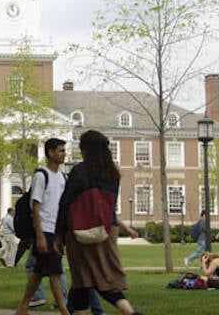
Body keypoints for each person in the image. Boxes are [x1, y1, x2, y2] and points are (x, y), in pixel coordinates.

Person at [56, 130, 141, 315]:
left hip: (80, 231)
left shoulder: (79, 171)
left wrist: (59, 234)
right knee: (102, 278)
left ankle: (129, 313)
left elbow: (66, 203)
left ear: (86, 149)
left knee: (82, 278)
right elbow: (110, 206)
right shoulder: (112, 173)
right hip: (106, 230)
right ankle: (129, 312)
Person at [15, 138, 69, 315]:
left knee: (39, 271)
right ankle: (64, 310)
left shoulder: (62, 177)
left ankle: (23, 306)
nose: (64, 154)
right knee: (54, 271)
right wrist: (39, 235)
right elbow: (35, 206)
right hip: (45, 230)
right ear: (50, 153)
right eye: (60, 151)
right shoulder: (41, 175)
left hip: (55, 231)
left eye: (64, 150)